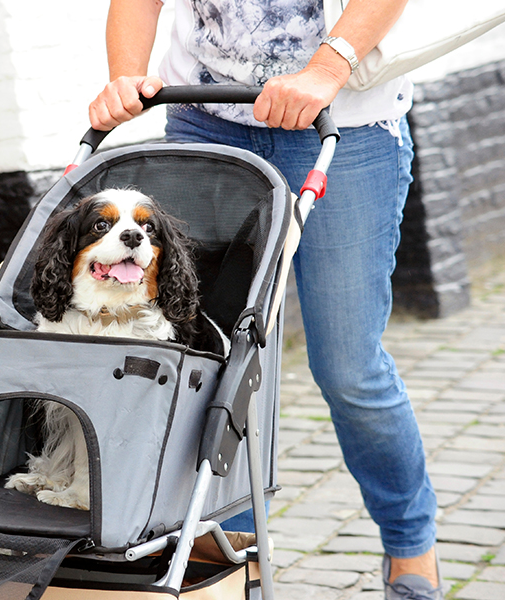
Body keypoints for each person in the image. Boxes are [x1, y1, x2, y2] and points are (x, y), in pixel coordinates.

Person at [89, 1, 440, 599]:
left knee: (349, 369)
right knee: (213, 360)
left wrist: (326, 68)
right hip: (207, 123)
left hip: (344, 128)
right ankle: (236, 550)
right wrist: (126, 74)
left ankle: (411, 546)